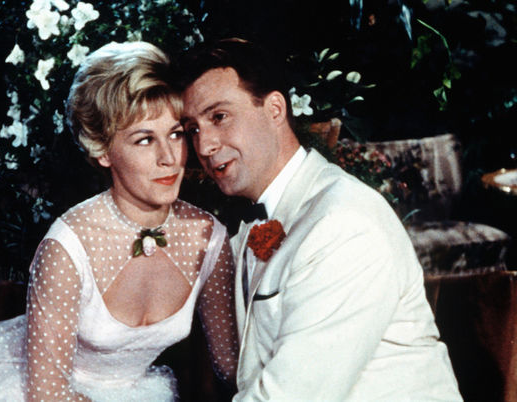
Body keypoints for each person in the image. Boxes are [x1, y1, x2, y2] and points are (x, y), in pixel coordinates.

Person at [0, 41, 238, 401]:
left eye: (176, 134)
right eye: (144, 140)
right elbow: (47, 395)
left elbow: (231, 366)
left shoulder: (208, 238)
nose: (169, 158)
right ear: (102, 149)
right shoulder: (67, 246)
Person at [176, 38, 462, 401]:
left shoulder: (344, 222)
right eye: (193, 129)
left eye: (219, 117)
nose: (204, 146)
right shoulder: (263, 219)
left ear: (275, 109)